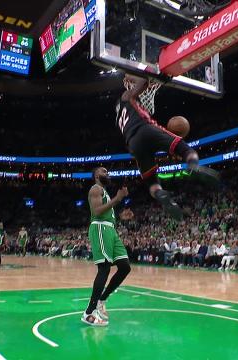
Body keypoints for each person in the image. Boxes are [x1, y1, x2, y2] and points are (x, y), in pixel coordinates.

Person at [116, 74, 220, 220]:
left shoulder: (119, 117)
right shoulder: (126, 96)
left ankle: (160, 194)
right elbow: (144, 81)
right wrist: (132, 77)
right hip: (145, 128)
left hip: (133, 144)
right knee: (185, 149)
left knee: (151, 181)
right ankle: (193, 166)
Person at [83, 167, 132, 327]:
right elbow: (97, 211)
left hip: (110, 229)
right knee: (104, 269)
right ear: (97, 175)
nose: (107, 173)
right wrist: (118, 199)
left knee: (125, 266)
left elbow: (106, 212)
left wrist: (120, 217)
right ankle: (89, 312)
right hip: (100, 228)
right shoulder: (95, 189)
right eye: (104, 171)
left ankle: (102, 300)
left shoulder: (105, 192)